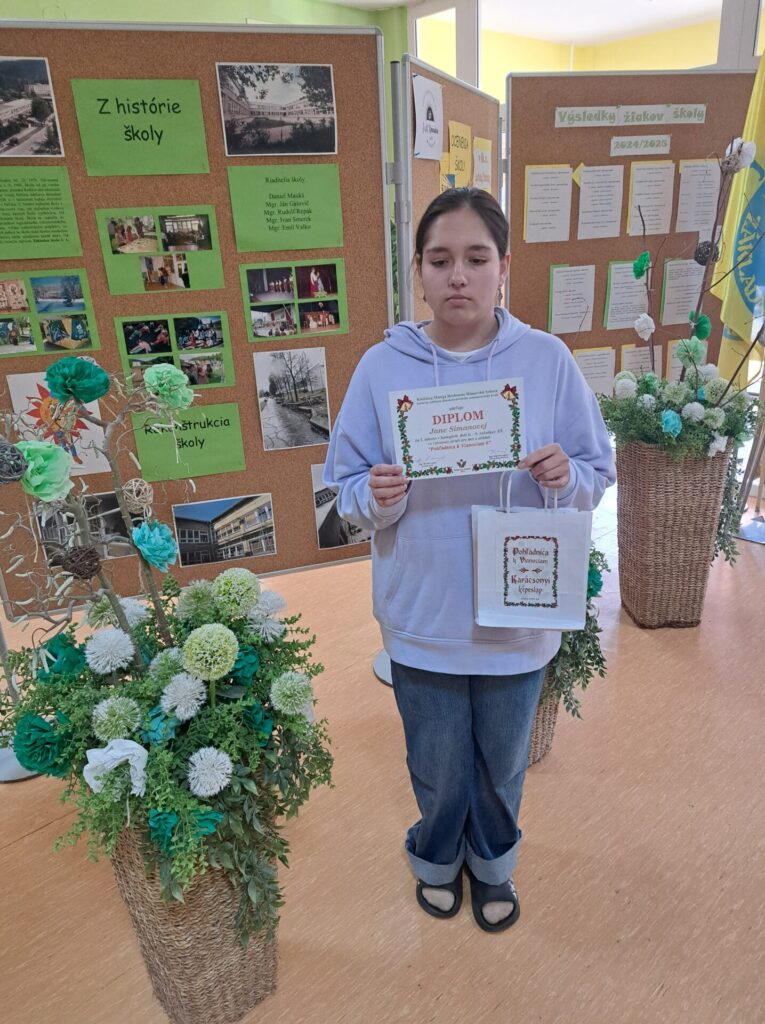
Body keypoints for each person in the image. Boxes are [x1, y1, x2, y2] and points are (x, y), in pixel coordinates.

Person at [324, 188, 614, 933]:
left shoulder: (545, 361)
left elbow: (596, 471)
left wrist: (564, 478)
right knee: (436, 759)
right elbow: (343, 491)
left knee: (502, 762)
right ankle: (433, 856)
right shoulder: (381, 368)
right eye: (440, 259)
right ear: (418, 271)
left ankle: (492, 864)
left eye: (476, 259)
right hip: (422, 610)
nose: (458, 276)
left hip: (517, 610)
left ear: (503, 268)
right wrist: (374, 496)